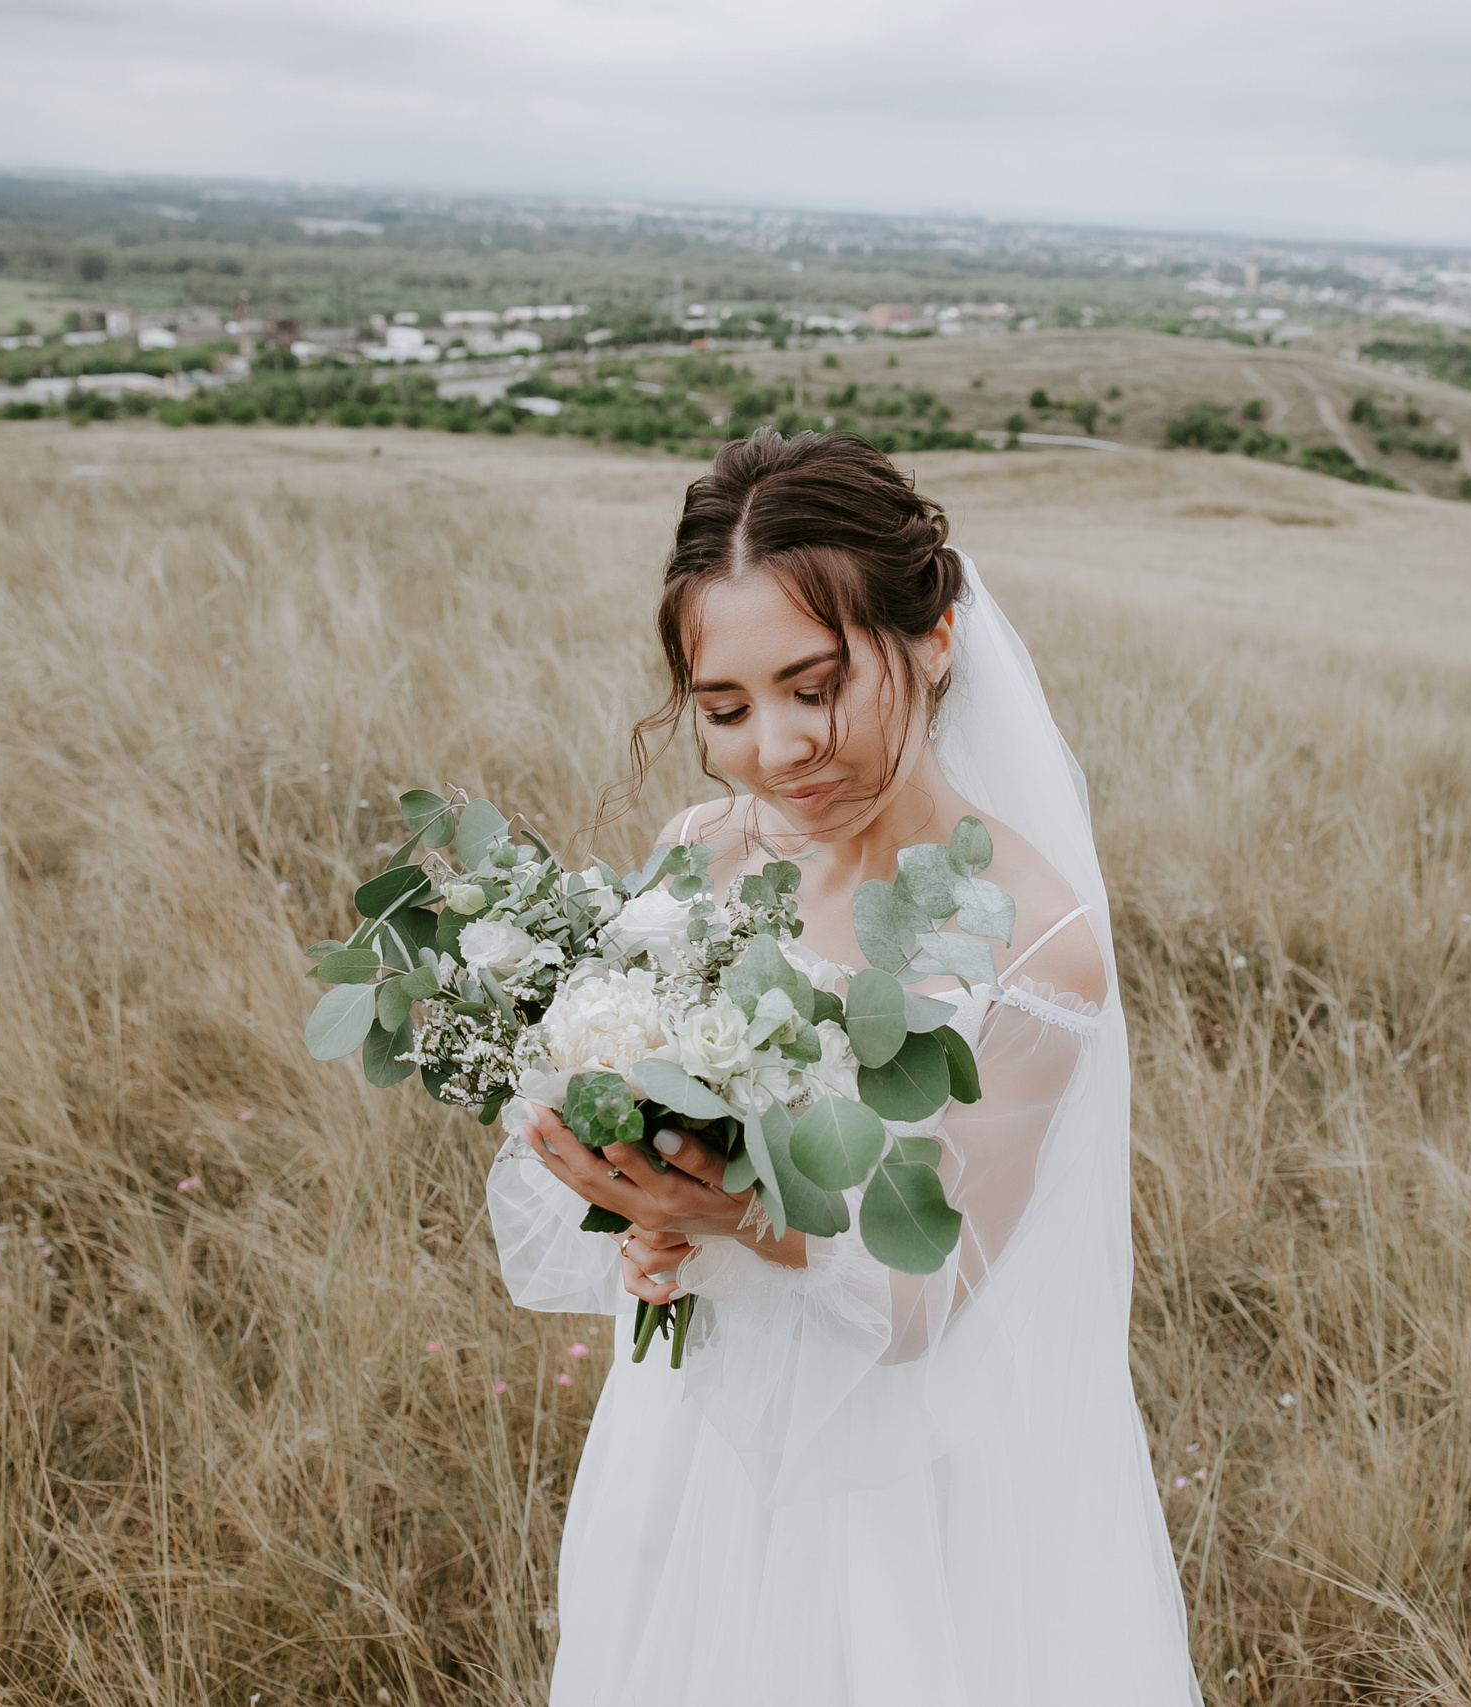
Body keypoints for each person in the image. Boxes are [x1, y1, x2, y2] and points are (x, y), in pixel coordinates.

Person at [488, 431, 1200, 1705]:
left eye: (815, 686)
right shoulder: (700, 856)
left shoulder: (1034, 945)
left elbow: (927, 1302)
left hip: (891, 1495)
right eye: (725, 709)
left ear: (930, 644)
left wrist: (736, 1215)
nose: (777, 749)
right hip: (695, 1437)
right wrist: (637, 1210)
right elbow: (624, 1126)